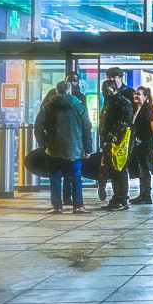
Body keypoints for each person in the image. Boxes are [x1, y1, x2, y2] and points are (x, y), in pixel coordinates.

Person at [34, 80, 90, 214]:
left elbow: (38, 128)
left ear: (56, 91)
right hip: (75, 148)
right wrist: (87, 148)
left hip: (53, 147)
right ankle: (78, 206)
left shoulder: (48, 107)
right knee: (76, 177)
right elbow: (87, 127)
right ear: (69, 91)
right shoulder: (79, 106)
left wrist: (44, 144)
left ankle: (56, 206)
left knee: (55, 177)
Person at [98, 69, 134, 211]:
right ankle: (116, 197)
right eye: (103, 90)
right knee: (112, 170)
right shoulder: (109, 102)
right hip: (109, 140)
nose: (104, 92)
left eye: (107, 90)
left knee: (119, 169)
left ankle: (122, 199)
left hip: (120, 140)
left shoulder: (122, 102)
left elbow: (125, 121)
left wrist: (113, 133)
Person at [128, 86, 153, 204]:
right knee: (142, 170)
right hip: (138, 144)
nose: (136, 95)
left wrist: (140, 139)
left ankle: (146, 195)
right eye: (135, 93)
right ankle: (143, 194)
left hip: (145, 145)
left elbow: (149, 128)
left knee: (144, 170)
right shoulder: (137, 108)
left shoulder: (148, 108)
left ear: (145, 96)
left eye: (139, 94)